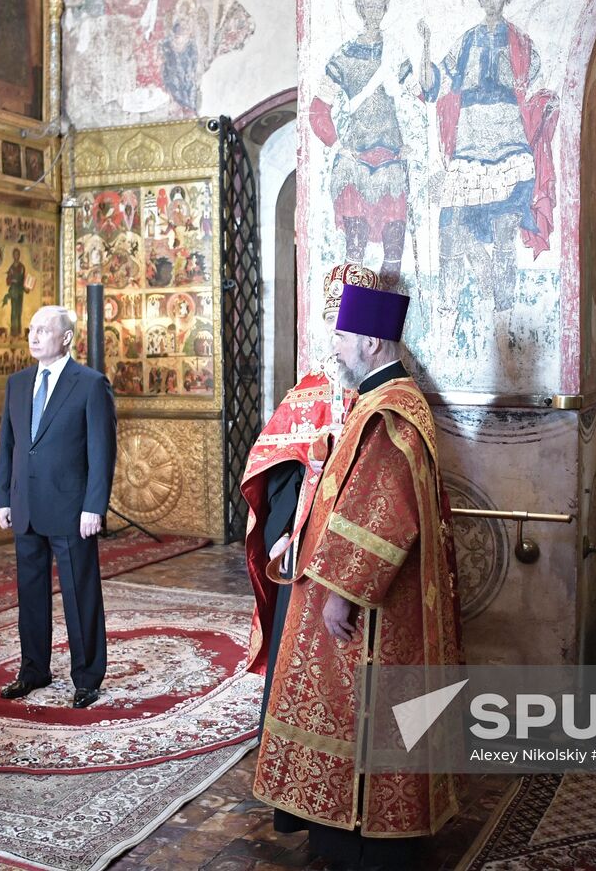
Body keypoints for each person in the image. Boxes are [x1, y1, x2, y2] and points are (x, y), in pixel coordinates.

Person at [253, 282, 462, 868]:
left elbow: (382, 512)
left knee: (361, 714)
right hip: (360, 592)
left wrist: (342, 593)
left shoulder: (388, 411)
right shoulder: (386, 399)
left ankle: (363, 840)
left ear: (371, 342)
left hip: (369, 612)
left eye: (344, 336)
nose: (336, 346)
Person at [241, 264, 380, 842]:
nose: (336, 339)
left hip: (355, 554)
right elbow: (279, 470)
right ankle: (296, 797)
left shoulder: (383, 392)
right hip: (302, 550)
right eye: (331, 325)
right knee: (298, 675)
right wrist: (280, 533)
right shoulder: (310, 392)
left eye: (344, 327)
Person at [0, 305, 116, 708]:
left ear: (66, 338)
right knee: (30, 594)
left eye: (44, 330)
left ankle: (87, 677)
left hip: (72, 509)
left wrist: (94, 506)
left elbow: (102, 451)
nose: (33, 337)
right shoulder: (17, 384)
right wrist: (3, 498)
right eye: (31, 329)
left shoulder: (90, 384)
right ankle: (33, 670)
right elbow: (9, 446)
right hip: (25, 506)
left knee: (80, 594)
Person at [418, 0, 558, 317]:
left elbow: (530, 80)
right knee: (453, 219)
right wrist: (425, 47)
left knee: (506, 222)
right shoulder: (467, 39)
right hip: (470, 136)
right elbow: (438, 81)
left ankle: (504, 311)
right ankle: (455, 300)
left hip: (508, 135)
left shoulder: (520, 41)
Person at [310, 0, 416, 287]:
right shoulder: (344, 55)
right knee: (355, 246)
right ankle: (355, 316)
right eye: (368, 5)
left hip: (392, 156)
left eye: (379, 5)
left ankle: (385, 316)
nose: (374, 12)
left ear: (385, 9)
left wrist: (413, 141)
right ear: (360, 9)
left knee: (394, 246)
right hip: (356, 159)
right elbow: (318, 109)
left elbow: (419, 95)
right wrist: (337, 145)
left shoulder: (395, 51)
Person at [3, 246, 27, 337]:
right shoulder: (11, 268)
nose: (16, 256)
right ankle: (13, 332)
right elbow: (7, 281)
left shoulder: (22, 267)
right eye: (15, 254)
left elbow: (24, 280)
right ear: (13, 256)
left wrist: (26, 288)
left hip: (20, 291)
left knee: (19, 311)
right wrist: (12, 280)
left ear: (19, 256)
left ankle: (19, 331)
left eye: (18, 254)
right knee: (13, 311)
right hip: (13, 291)